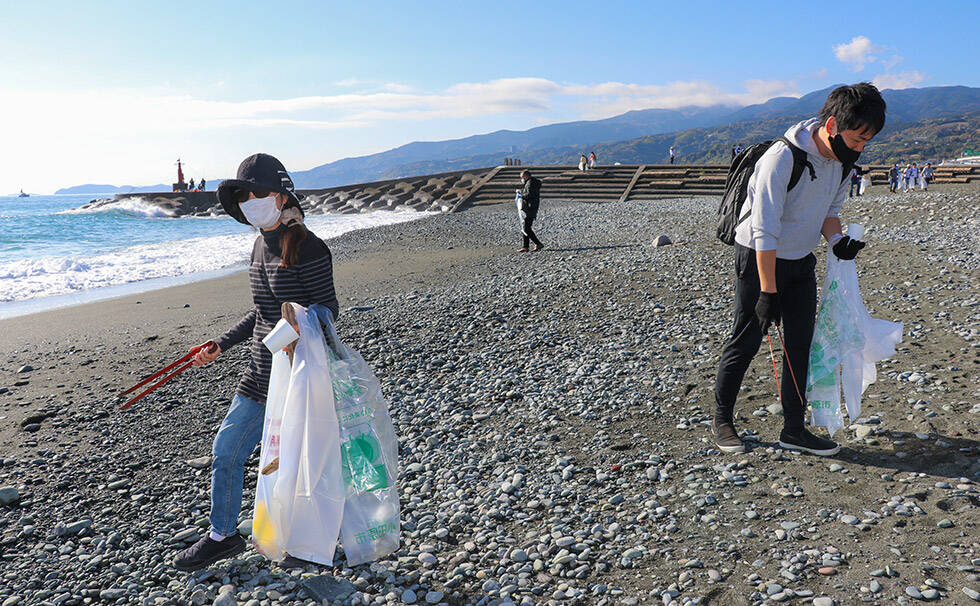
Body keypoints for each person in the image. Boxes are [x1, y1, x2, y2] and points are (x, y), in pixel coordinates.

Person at [173, 153, 340, 571]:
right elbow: (261, 311)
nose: (251, 200)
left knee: (302, 463)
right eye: (244, 195)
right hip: (260, 373)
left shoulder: (308, 246)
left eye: (258, 192)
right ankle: (224, 536)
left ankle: (311, 537)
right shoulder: (258, 243)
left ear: (282, 197)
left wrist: (300, 326)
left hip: (300, 377)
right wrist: (220, 344)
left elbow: (328, 309)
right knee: (227, 450)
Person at [712, 83, 884, 457]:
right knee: (746, 339)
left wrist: (838, 242)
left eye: (867, 141)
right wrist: (767, 292)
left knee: (799, 344)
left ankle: (794, 429)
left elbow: (829, 214)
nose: (860, 148)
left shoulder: (841, 165)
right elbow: (764, 230)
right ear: (833, 125)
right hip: (758, 256)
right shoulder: (783, 158)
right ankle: (722, 420)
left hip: (801, 259)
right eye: (857, 139)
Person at [517, 169, 544, 253]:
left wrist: (521, 195)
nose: (522, 179)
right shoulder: (531, 182)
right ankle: (525, 247)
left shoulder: (530, 183)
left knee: (526, 228)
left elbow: (530, 194)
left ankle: (538, 243)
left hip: (530, 208)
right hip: (531, 207)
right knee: (525, 227)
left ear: (526, 176)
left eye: (522, 177)